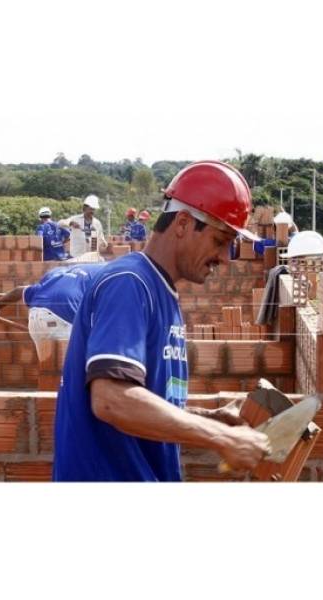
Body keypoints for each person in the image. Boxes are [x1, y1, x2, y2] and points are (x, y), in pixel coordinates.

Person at [53, 160, 270, 482]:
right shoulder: (129, 283)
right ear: (183, 223)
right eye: (219, 240)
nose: (225, 258)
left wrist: (208, 419)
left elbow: (143, 403)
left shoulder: (160, 291)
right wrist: (223, 439)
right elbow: (112, 400)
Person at [0, 263, 105, 360]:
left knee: (49, 370)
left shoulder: (57, 274)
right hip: (63, 319)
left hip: (36, 318)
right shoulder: (106, 274)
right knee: (73, 373)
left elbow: (19, 291)